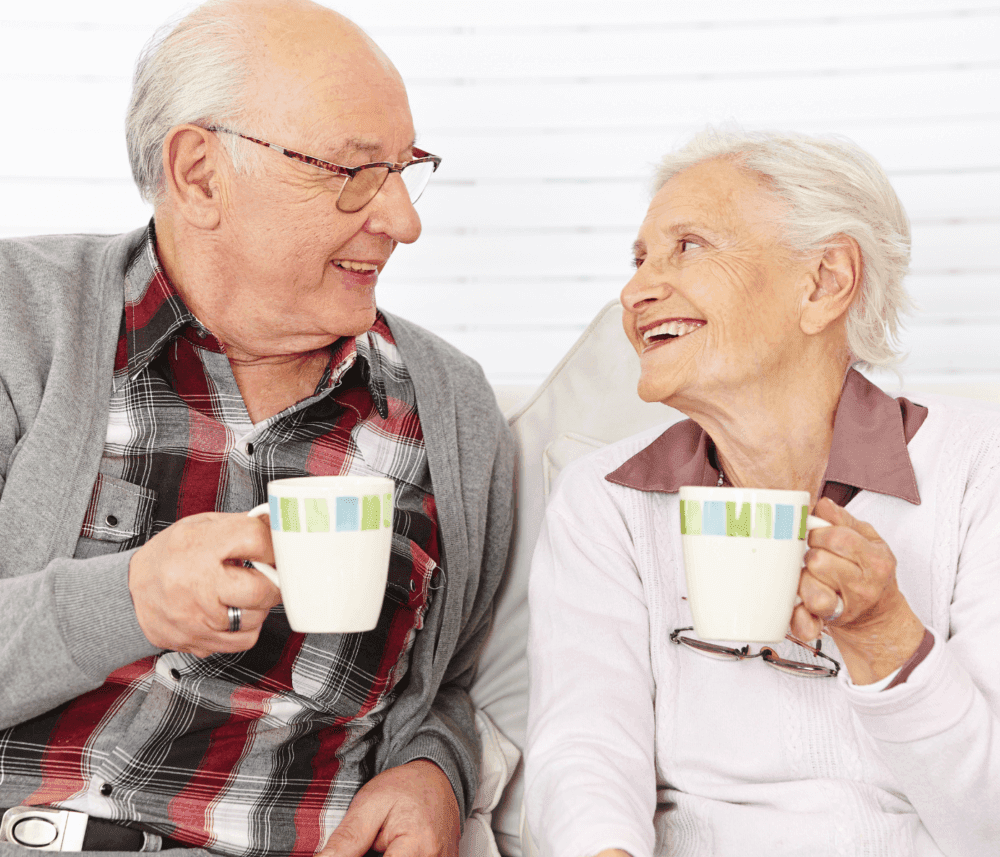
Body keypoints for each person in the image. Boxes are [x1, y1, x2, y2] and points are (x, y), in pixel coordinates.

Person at [0, 1, 514, 856]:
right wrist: (126, 600)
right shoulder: (21, 318)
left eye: (404, 168)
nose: (404, 220)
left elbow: (456, 682)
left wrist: (438, 770)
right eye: (353, 170)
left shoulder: (452, 411)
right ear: (200, 173)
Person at [524, 128, 1000, 857]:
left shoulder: (978, 467)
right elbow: (585, 750)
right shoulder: (604, 500)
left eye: (690, 245)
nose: (636, 290)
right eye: (639, 258)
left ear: (825, 281)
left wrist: (885, 636)